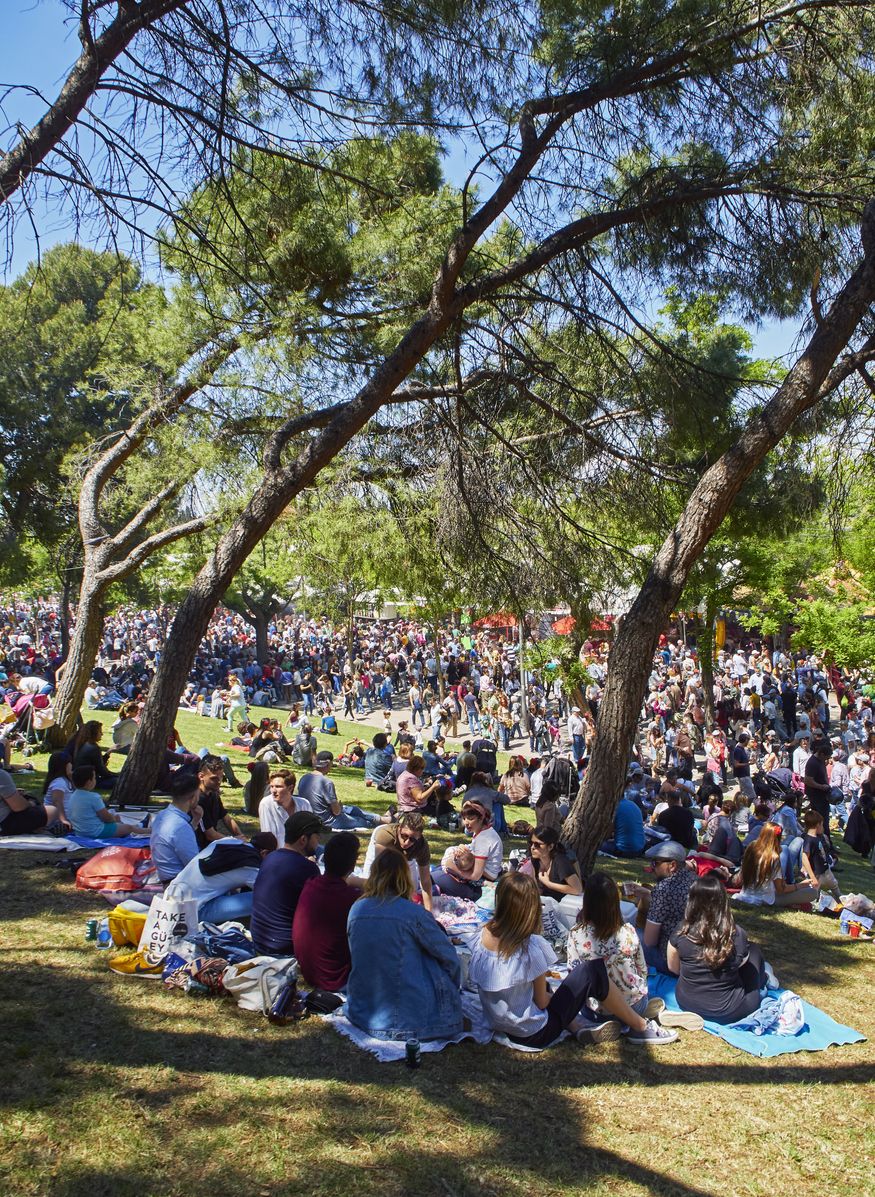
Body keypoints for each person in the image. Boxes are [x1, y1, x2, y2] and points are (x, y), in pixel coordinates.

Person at [468, 872, 677, 1048]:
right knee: (592, 971)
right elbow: (542, 1002)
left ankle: (578, 1026)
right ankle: (640, 1027)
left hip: (498, 1021)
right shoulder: (531, 946)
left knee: (562, 983)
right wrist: (566, 996)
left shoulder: (481, 935)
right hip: (533, 1033)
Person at [346, 848, 463, 1041]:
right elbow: (449, 959)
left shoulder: (356, 908)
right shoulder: (413, 914)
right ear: (404, 877)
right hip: (406, 1021)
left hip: (361, 1010)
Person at [667, 874, 769, 1025]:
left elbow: (673, 968)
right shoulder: (737, 934)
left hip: (687, 1002)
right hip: (730, 1010)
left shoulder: (682, 931)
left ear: (691, 901)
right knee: (754, 950)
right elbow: (741, 965)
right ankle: (764, 980)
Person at [292, 831, 362, 991]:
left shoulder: (311, 883)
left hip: (310, 972)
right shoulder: (351, 899)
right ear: (352, 865)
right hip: (337, 979)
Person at [249, 811, 324, 955]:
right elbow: (318, 912)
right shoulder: (306, 868)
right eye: (316, 837)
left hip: (259, 940)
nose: (318, 841)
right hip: (285, 947)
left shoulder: (270, 858)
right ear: (303, 839)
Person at [168, 832, 275, 922]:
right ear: (264, 853)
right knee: (263, 899)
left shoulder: (226, 841)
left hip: (173, 897)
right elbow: (268, 894)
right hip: (193, 913)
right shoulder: (251, 866)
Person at [629, 840, 694, 973]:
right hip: (694, 959)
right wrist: (649, 894)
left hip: (671, 961)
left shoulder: (664, 889)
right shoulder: (696, 881)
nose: (652, 868)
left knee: (628, 934)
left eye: (655, 863)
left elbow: (649, 941)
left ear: (672, 865)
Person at [431, 797, 503, 898]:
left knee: (435, 876)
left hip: (479, 884)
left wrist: (454, 868)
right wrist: (463, 848)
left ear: (481, 818)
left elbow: (475, 876)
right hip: (480, 873)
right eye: (464, 818)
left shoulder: (483, 839)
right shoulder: (483, 831)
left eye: (470, 818)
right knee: (439, 870)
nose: (466, 822)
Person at [361, 812, 434, 912]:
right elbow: (380, 871)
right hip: (384, 852)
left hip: (407, 858)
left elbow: (425, 881)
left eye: (413, 839)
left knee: (411, 891)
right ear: (399, 828)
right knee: (372, 886)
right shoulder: (385, 836)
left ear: (419, 837)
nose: (407, 842)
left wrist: (429, 912)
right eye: (404, 836)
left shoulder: (421, 846)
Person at [297, 751, 387, 829]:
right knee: (361, 821)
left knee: (353, 809)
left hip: (310, 817)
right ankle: (383, 821)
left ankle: (381, 819)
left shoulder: (304, 778)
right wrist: (339, 807)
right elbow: (336, 812)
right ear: (328, 764)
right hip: (327, 821)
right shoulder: (326, 782)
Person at [736, 824, 818, 907]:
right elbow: (781, 889)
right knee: (813, 892)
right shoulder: (773, 858)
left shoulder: (752, 846)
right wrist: (801, 885)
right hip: (766, 899)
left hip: (746, 894)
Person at [66, 764, 147, 838]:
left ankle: (138, 826)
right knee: (129, 828)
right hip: (96, 832)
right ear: (89, 782)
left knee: (118, 821)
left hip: (80, 832)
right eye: (94, 778)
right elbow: (107, 818)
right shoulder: (94, 797)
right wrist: (114, 819)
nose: (95, 780)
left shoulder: (73, 796)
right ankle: (150, 831)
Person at [149, 773, 202, 883]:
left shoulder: (162, 815)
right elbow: (195, 866)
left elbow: (178, 843)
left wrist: (195, 821)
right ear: (193, 798)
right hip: (181, 885)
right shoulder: (180, 826)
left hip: (168, 878)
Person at [193, 754, 245, 848]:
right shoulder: (197, 800)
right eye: (213, 778)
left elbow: (227, 819)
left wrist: (241, 836)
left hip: (212, 845)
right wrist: (234, 841)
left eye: (221, 777)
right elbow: (210, 835)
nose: (219, 782)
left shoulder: (213, 793)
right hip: (200, 848)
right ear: (201, 776)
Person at [257, 768, 313, 845]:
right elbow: (268, 839)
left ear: (290, 788)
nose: (273, 791)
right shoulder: (266, 804)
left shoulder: (304, 804)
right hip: (279, 854)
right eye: (271, 786)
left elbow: (310, 833)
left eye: (278, 787)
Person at [0, 767, 59, 836]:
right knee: (52, 810)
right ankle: (38, 830)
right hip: (4, 824)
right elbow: (18, 807)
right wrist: (31, 803)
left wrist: (13, 793)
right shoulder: (2, 775)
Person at [529, 825, 583, 899]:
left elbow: (577, 889)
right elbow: (538, 889)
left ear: (550, 846)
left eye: (537, 844)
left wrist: (549, 884)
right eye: (531, 843)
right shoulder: (535, 859)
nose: (532, 847)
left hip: (563, 905)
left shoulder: (561, 861)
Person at [800, 809, 841, 900]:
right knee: (813, 895)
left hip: (826, 871)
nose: (823, 827)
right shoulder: (809, 840)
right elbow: (804, 857)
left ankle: (842, 902)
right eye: (822, 825)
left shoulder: (819, 837)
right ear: (817, 825)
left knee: (835, 887)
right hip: (816, 874)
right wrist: (812, 876)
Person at [804, 740, 834, 847]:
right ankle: (826, 845)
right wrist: (821, 787)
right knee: (822, 821)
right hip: (816, 796)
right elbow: (808, 780)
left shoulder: (820, 761)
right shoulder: (812, 763)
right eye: (826, 757)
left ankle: (822, 843)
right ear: (821, 754)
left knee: (822, 820)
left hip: (822, 795)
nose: (827, 760)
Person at [69, 720, 117, 789]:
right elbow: (102, 772)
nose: (102, 734)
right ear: (94, 733)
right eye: (100, 732)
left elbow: (97, 763)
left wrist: (108, 752)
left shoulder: (82, 743)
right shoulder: (93, 747)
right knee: (118, 781)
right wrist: (118, 775)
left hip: (80, 779)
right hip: (89, 781)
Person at [600, 790, 646, 857]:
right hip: (639, 849)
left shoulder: (614, 807)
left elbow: (606, 834)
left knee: (595, 845)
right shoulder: (633, 805)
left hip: (623, 850)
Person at [42, 751, 73, 827]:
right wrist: (63, 820)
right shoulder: (59, 782)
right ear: (65, 765)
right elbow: (57, 802)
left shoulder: (67, 780)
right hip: (57, 821)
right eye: (70, 763)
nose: (72, 765)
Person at [732, 731, 756, 805]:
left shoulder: (742, 749)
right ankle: (744, 808)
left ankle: (740, 807)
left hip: (745, 774)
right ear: (745, 741)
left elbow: (742, 760)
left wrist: (749, 760)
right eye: (748, 740)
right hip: (743, 776)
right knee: (751, 795)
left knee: (743, 795)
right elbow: (736, 764)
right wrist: (748, 763)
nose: (748, 742)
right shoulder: (738, 750)